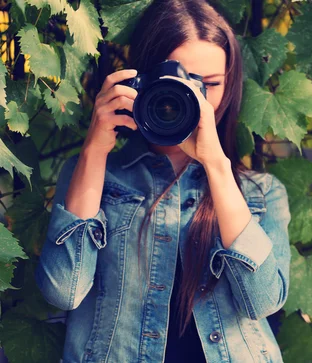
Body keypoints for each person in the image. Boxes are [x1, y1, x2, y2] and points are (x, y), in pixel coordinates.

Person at [33, 0, 292, 362]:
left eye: (209, 85)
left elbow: (262, 301)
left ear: (230, 86)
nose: (196, 100)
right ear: (142, 81)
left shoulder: (261, 193)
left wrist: (217, 166)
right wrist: (94, 149)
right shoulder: (93, 175)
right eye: (179, 84)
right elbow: (64, 291)